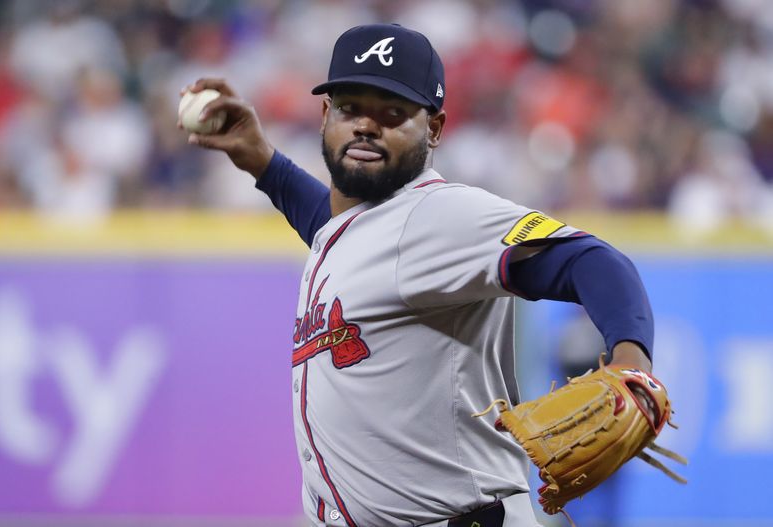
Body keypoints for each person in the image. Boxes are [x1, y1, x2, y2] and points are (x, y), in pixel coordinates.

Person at [184, 23, 655, 527]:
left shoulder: (439, 215)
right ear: (325, 116)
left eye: (392, 113)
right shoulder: (358, 228)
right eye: (350, 108)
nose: (366, 125)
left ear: (433, 127)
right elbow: (338, 226)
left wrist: (632, 360)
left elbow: (591, 260)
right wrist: (263, 162)